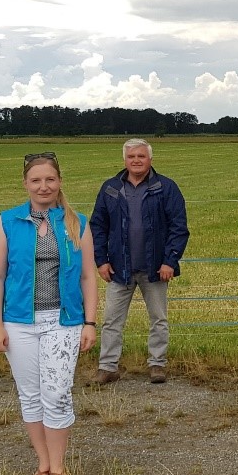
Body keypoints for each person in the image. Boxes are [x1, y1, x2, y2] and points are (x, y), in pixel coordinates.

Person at [0, 152, 98, 475]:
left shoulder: (76, 221)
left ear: (59, 181)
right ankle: (43, 465)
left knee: (57, 392)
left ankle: (61, 467)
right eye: (36, 180)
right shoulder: (7, 222)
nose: (43, 186)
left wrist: (90, 322)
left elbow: (89, 277)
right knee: (30, 394)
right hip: (18, 322)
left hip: (63, 321)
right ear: (25, 184)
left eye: (50, 179)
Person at [90, 139, 190, 385]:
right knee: (112, 320)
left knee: (158, 318)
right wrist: (101, 261)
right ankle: (108, 367)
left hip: (155, 268)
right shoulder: (111, 188)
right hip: (118, 268)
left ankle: (157, 365)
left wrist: (169, 261)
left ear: (150, 159)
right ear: (124, 160)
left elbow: (179, 228)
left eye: (141, 156)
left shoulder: (166, 188)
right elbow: (98, 227)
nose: (136, 160)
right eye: (131, 156)